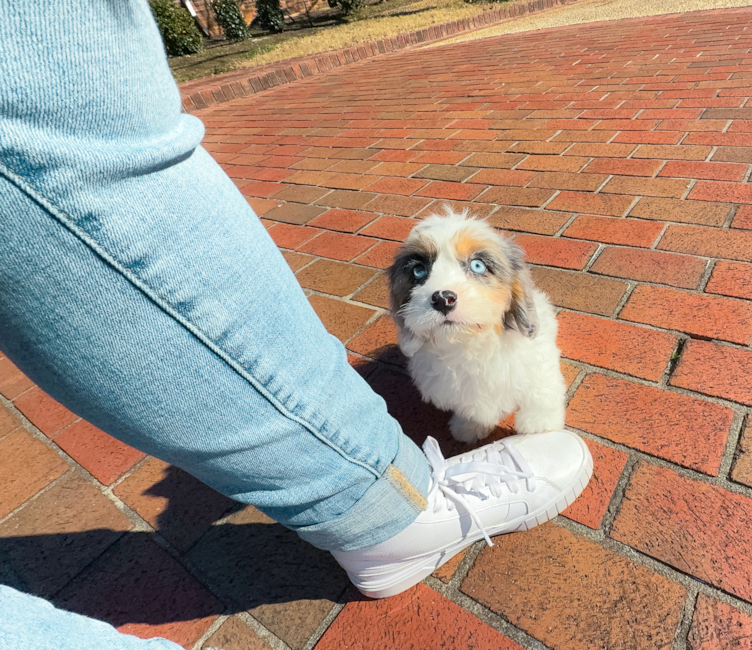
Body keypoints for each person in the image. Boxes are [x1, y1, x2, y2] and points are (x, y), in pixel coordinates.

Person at [0, 2, 592, 648]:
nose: (441, 290)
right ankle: (392, 511)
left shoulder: (522, 323)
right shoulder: (425, 344)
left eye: (473, 269)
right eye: (421, 275)